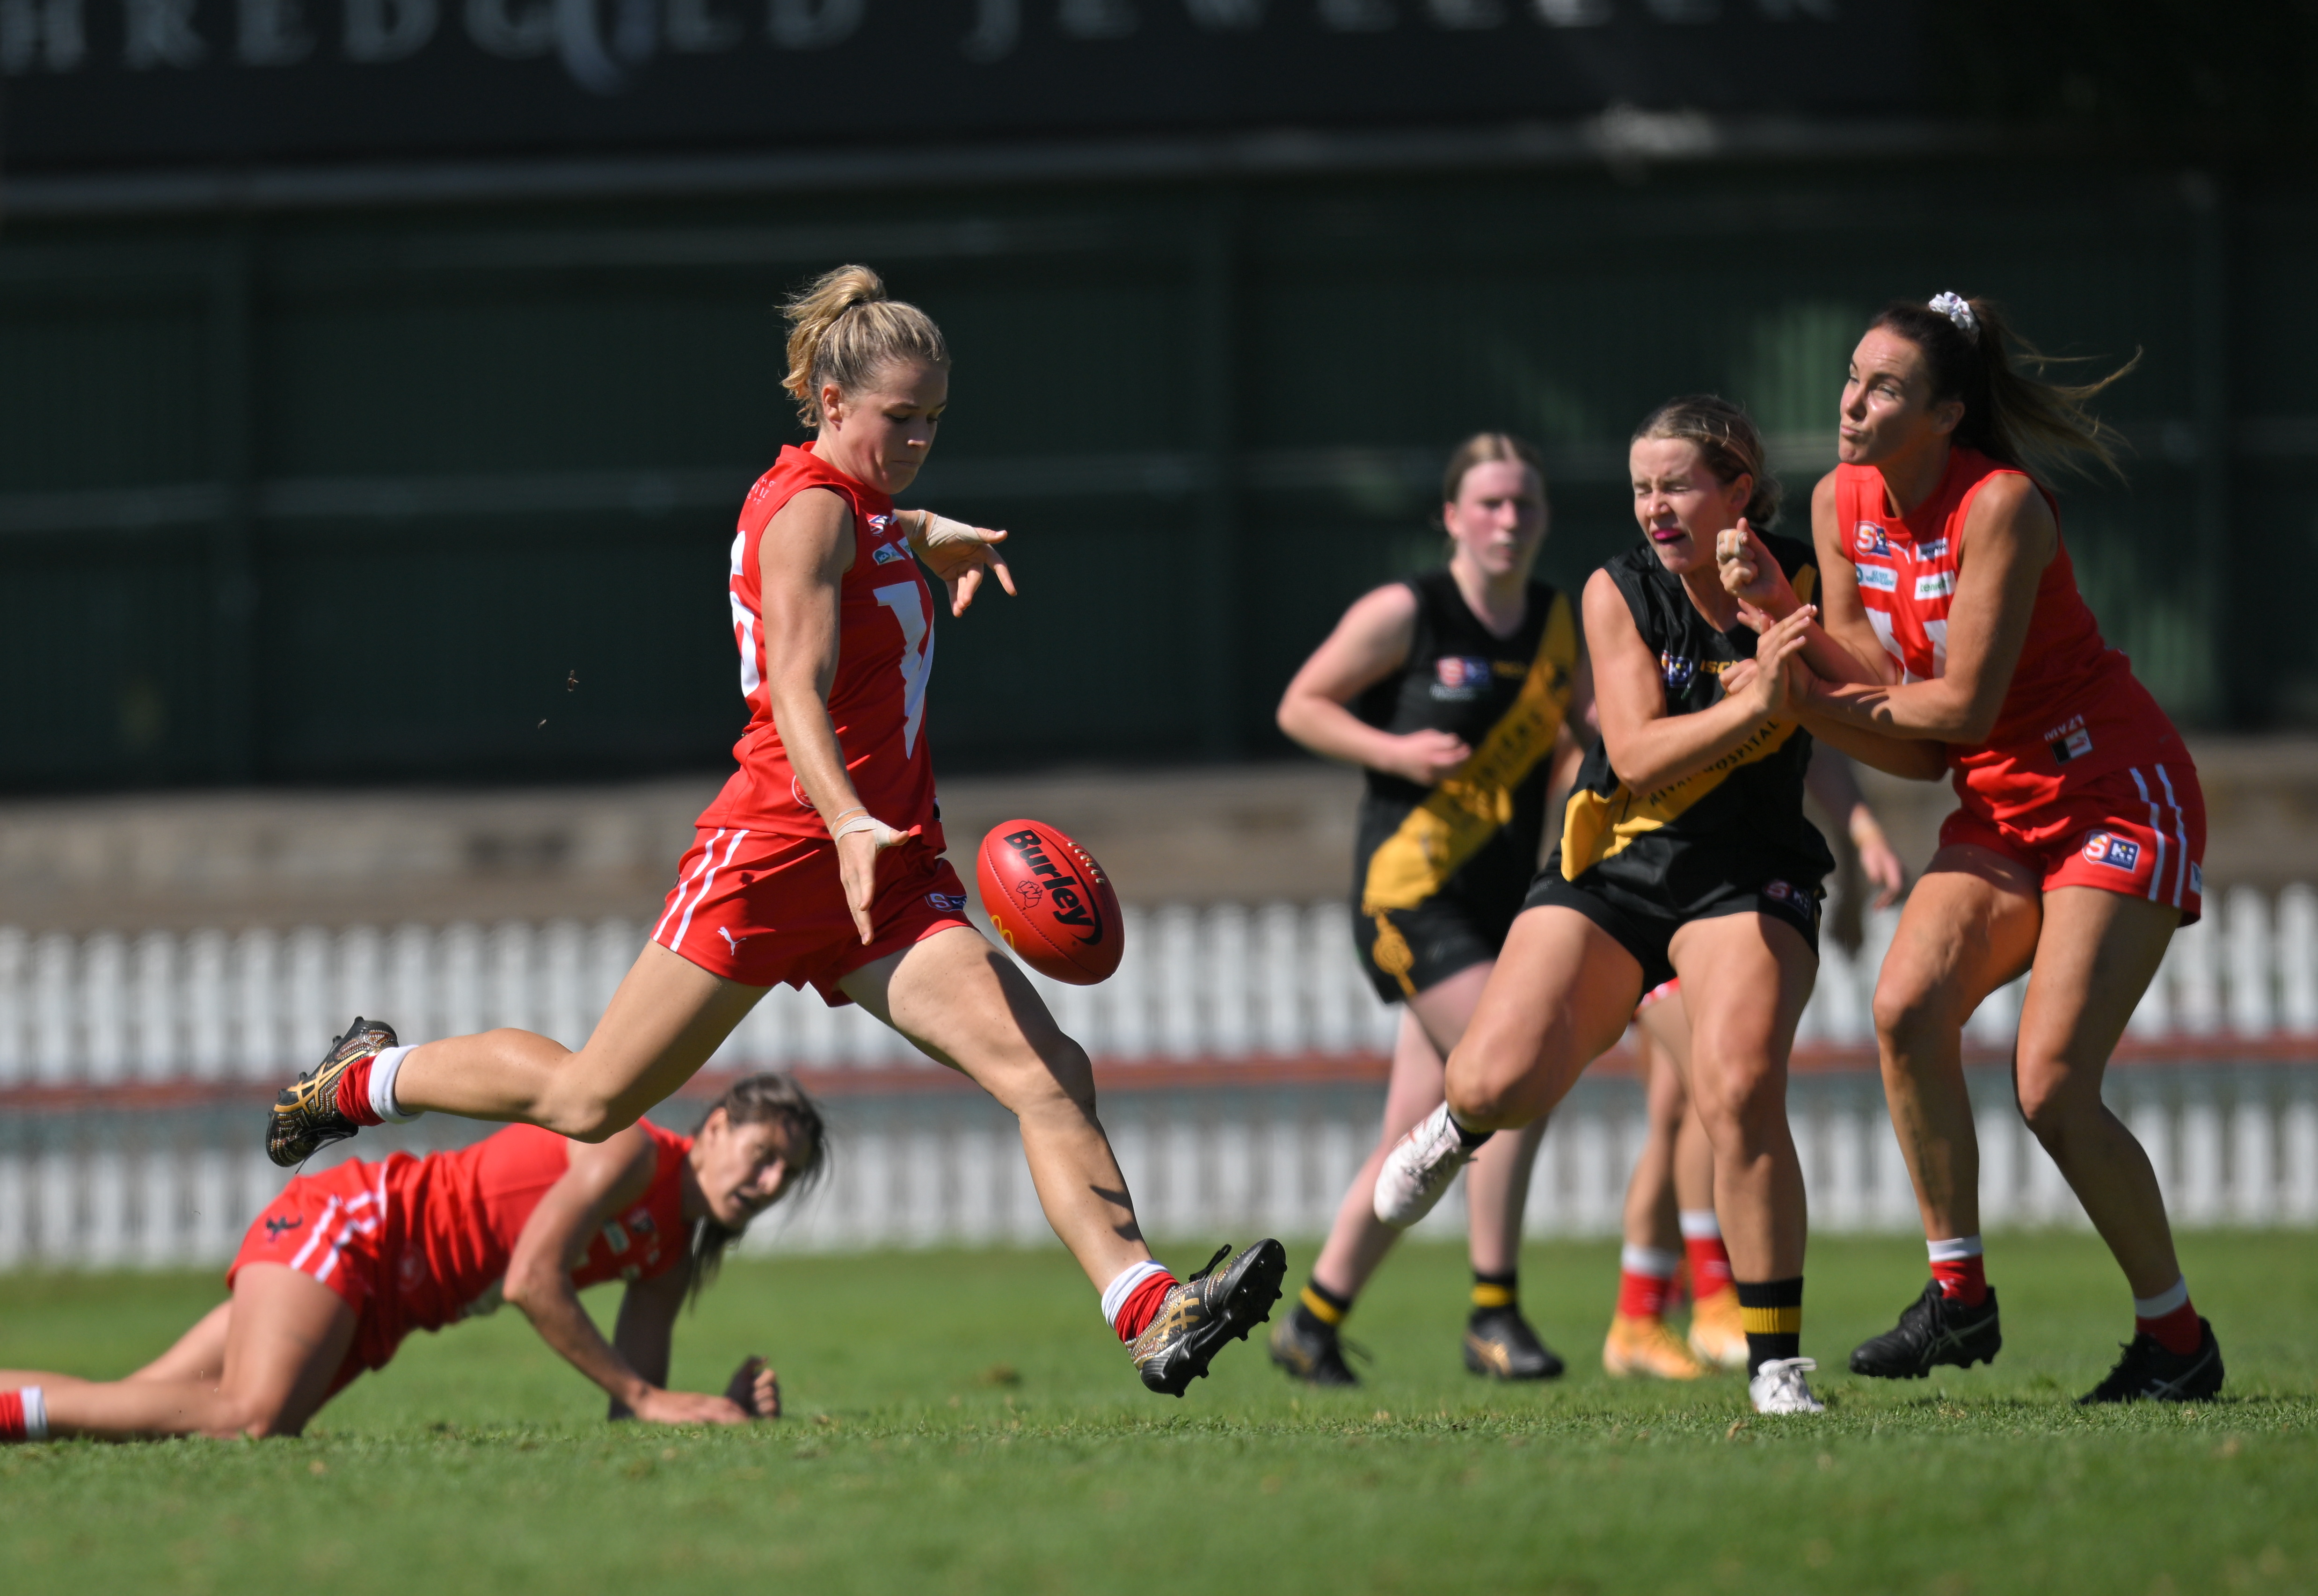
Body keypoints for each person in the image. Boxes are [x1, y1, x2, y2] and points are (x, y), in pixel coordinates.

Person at [259, 265, 1284, 1398]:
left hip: (886, 872)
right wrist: (844, 816)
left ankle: (1147, 1309)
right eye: (900, 419)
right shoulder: (804, 510)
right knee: (591, 1101)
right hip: (781, 851)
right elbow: (793, 687)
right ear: (832, 405)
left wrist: (934, 533)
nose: (918, 441)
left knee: (1049, 1071)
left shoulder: (867, 508)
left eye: (936, 420)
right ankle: (363, 1080)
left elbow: (879, 525)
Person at [1716, 291, 2224, 1403]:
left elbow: (1954, 710)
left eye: (1884, 387)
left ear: (1947, 411)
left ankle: (2176, 1342)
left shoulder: (2001, 507)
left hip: (2111, 793)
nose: (1851, 400)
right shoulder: (1842, 501)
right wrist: (1772, 615)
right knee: (1902, 1007)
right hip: (1999, 804)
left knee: (2048, 1083)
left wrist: (1791, 702)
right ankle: (1960, 1298)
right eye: (1852, 377)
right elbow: (1909, 744)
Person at [1372, 394, 1919, 1416]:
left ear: (1737, 493)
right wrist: (1750, 699)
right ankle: (1455, 1125)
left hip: (1747, 869)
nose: (1653, 507)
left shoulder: (1800, 570)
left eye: (1675, 485)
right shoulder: (1615, 589)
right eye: (1639, 488)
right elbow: (1631, 753)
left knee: (1739, 1081)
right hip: (1615, 862)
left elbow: (1878, 697)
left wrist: (1771, 624)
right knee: (1494, 1078)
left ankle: (1774, 1363)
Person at [1268, 433, 1588, 1387]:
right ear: (1451, 517)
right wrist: (1396, 752)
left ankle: (1313, 1323)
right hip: (1407, 900)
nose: (1507, 520)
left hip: (1500, 906)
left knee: (1416, 1128)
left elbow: (1593, 735)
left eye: (1524, 503)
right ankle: (1494, 1313)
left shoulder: (1556, 621)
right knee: (1519, 1070)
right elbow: (1300, 704)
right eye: (1487, 503)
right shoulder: (1408, 609)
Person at [0, 1074, 822, 1443]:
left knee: (142, 1409)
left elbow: (631, 1416)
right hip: (356, 1229)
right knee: (251, 1420)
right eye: (761, 1154)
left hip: (390, 1302)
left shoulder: (672, 1256)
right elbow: (534, 1280)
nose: (769, 1181)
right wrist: (646, 1397)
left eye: (785, 1175)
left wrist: (712, 1413)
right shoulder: (630, 1152)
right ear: (713, 1128)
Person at [1603, 751, 1906, 1381]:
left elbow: (1815, 750)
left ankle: (1636, 1318)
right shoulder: (1636, 664)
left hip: (1729, 901)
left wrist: (1858, 845)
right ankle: (1714, 1296)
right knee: (1702, 1091)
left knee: (1674, 1107)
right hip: (1643, 894)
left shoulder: (1763, 659)